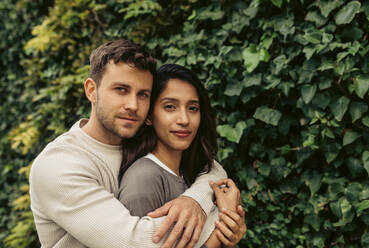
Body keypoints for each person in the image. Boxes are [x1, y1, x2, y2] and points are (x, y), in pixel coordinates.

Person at [29, 40, 232, 248]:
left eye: (143, 94)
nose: (133, 106)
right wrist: (223, 223)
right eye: (121, 90)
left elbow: (212, 168)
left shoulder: (138, 139)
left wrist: (196, 200)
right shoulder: (59, 165)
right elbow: (135, 241)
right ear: (91, 90)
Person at [118, 64, 247, 247]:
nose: (184, 120)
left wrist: (231, 230)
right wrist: (219, 233)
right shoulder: (144, 179)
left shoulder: (193, 172)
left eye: (193, 108)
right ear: (148, 116)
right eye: (170, 107)